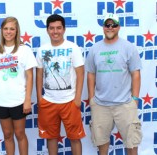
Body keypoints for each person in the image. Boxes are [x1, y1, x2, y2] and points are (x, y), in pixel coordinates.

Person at [85, 13, 142, 155]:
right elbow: (91, 74)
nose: (110, 28)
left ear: (119, 27)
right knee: (101, 143)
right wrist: (92, 99)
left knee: (132, 143)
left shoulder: (129, 47)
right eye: (107, 25)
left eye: (113, 25)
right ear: (103, 27)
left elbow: (136, 73)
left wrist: (134, 99)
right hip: (100, 105)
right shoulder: (94, 49)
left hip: (125, 104)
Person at [0, 17, 37, 155]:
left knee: (20, 134)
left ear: (16, 31)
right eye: (6, 29)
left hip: (19, 100)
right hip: (1, 101)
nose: (8, 32)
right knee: (7, 135)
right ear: (2, 30)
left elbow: (30, 76)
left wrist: (27, 99)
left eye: (12, 29)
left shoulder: (24, 50)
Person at [35, 14, 85, 155]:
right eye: (52, 28)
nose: (55, 31)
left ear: (64, 29)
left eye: (58, 28)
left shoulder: (72, 47)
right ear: (47, 30)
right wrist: (40, 98)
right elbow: (39, 74)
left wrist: (77, 98)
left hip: (70, 101)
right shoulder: (42, 50)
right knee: (51, 137)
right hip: (49, 101)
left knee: (75, 138)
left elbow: (81, 73)